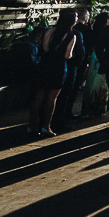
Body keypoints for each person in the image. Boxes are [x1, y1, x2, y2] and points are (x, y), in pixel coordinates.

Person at [30, 8, 78, 138]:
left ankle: (31, 125)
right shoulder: (71, 36)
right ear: (72, 21)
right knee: (52, 98)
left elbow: (45, 48)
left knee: (39, 96)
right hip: (59, 68)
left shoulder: (48, 31)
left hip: (45, 65)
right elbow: (68, 56)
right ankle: (46, 127)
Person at [80, 13, 109, 117]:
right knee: (101, 83)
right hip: (102, 57)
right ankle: (99, 108)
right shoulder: (106, 32)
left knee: (91, 83)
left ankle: (88, 107)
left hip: (94, 58)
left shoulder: (93, 31)